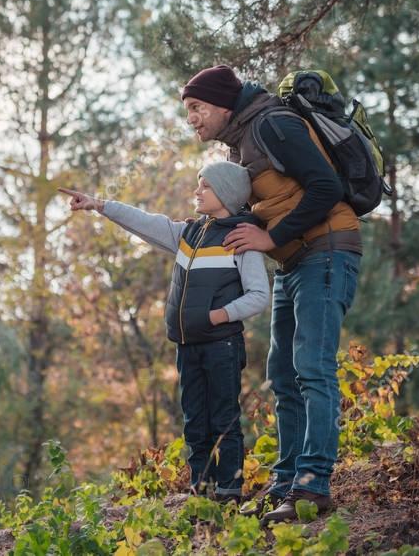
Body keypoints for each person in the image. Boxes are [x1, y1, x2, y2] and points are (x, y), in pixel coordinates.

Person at [179, 64, 362, 524]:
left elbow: (326, 186)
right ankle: (286, 482)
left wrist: (266, 235)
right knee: (281, 373)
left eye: (197, 108)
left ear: (223, 104)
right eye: (188, 111)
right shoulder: (244, 141)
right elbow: (279, 200)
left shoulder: (273, 124)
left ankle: (313, 485)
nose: (192, 119)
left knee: (312, 368)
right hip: (294, 259)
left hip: (328, 249)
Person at [58, 161, 270, 502]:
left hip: (222, 346)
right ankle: (200, 493)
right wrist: (99, 205)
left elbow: (260, 295)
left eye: (205, 186)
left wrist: (219, 315)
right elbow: (145, 222)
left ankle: (230, 494)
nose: (197, 191)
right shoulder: (189, 234)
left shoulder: (239, 239)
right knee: (194, 423)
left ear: (226, 194)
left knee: (224, 420)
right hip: (187, 347)